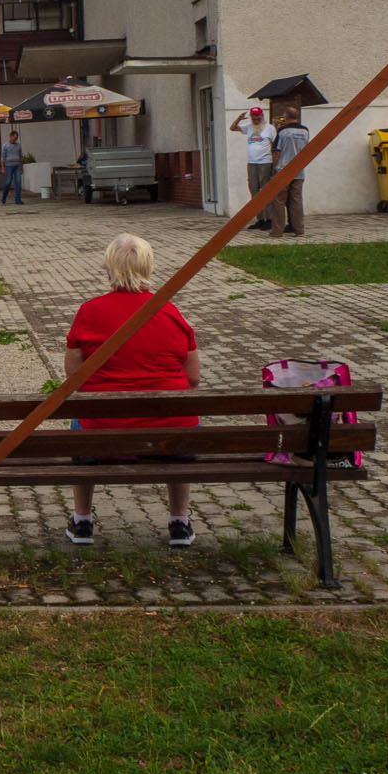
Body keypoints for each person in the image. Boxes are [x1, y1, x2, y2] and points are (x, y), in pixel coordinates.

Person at [63, 233, 201, 548]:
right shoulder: (171, 313)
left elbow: (74, 378)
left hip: (103, 432)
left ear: (108, 268)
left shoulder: (89, 312)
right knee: (183, 424)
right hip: (169, 436)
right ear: (148, 267)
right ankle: (179, 521)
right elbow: (193, 379)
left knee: (78, 425)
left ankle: (82, 521)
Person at [230, 106, 278, 230]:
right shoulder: (249, 127)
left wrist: (274, 163)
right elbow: (232, 128)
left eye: (258, 116)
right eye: (253, 116)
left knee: (265, 190)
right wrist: (239, 119)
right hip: (252, 163)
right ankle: (260, 218)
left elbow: (275, 145)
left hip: (265, 163)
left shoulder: (270, 128)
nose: (256, 118)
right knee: (254, 191)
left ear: (262, 116)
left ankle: (269, 219)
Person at [267, 111, 310, 236]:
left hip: (283, 169)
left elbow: (277, 151)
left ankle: (277, 230)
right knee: (296, 200)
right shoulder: (305, 131)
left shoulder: (283, 131)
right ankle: (299, 229)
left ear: (286, 117)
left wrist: (274, 169)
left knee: (279, 200)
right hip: (299, 170)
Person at [0, 130, 25, 205]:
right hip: (8, 166)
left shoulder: (18, 145)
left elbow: (21, 157)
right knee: (8, 182)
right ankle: (3, 197)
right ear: (10, 136)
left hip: (17, 166)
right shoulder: (5, 146)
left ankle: (18, 200)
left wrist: (21, 168)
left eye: (16, 138)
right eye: (14, 138)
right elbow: (2, 158)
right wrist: (3, 168)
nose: (15, 139)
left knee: (18, 182)